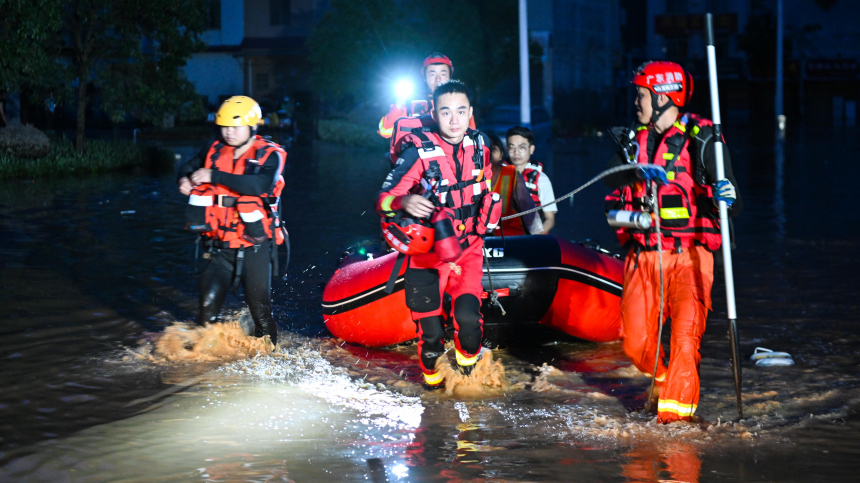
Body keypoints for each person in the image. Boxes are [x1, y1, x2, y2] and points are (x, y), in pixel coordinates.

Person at [603, 61, 742, 423]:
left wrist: (724, 196)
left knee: (684, 341)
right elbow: (611, 195)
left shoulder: (703, 138)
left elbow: (735, 203)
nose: (636, 102)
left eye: (642, 94)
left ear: (664, 97)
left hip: (690, 256)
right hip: (643, 255)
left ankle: (674, 428)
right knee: (634, 343)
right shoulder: (632, 142)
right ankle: (662, 378)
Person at [376, 80, 501, 388]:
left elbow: (484, 185)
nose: (454, 120)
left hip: (468, 249)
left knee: (470, 325)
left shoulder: (481, 145)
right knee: (431, 337)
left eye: (461, 112)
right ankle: (433, 396)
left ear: (470, 112)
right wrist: (405, 201)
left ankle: (467, 384)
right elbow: (383, 200)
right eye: (446, 112)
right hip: (428, 254)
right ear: (434, 112)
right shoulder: (417, 152)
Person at [176, 96, 288, 344]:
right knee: (206, 310)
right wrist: (183, 179)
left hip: (254, 247)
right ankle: (205, 365)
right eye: (224, 126)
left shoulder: (271, 155)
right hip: (219, 247)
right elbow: (188, 166)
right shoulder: (213, 150)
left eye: (235, 127)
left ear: (253, 127)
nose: (229, 132)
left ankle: (269, 358)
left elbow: (260, 185)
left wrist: (213, 175)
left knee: (260, 313)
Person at [377, 52, 475, 138]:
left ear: (450, 77)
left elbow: (471, 136)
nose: (438, 79)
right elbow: (385, 131)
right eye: (432, 74)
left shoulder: (460, 104)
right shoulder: (411, 103)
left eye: (443, 74)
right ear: (425, 77)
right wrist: (399, 104)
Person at [504, 126, 557, 234]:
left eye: (522, 147)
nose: (516, 152)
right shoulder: (498, 175)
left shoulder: (542, 180)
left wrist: (534, 239)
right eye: (512, 147)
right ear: (507, 149)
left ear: (531, 149)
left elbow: (550, 219)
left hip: (531, 238)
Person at [488, 134, 542, 235]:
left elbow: (529, 211)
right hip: (480, 243)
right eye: (484, 149)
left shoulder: (512, 175)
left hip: (512, 240)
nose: (489, 153)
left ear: (501, 155)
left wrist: (538, 240)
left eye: (493, 149)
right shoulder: (468, 176)